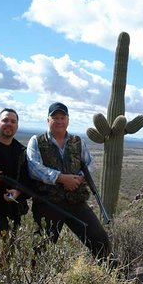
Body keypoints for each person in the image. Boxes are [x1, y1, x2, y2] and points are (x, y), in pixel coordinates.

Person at [26, 102, 110, 259]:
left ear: (68, 120)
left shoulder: (78, 142)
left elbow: (89, 164)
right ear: (48, 120)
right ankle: (35, 282)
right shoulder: (36, 141)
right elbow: (34, 168)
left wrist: (78, 179)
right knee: (41, 250)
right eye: (55, 117)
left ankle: (111, 275)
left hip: (76, 202)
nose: (59, 121)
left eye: (62, 117)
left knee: (100, 240)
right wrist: (62, 178)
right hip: (48, 203)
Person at [0, 108, 29, 234]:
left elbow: (28, 181)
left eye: (13, 121)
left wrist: (18, 192)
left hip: (11, 213)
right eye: (5, 120)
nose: (9, 124)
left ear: (17, 126)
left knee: (8, 252)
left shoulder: (21, 152)